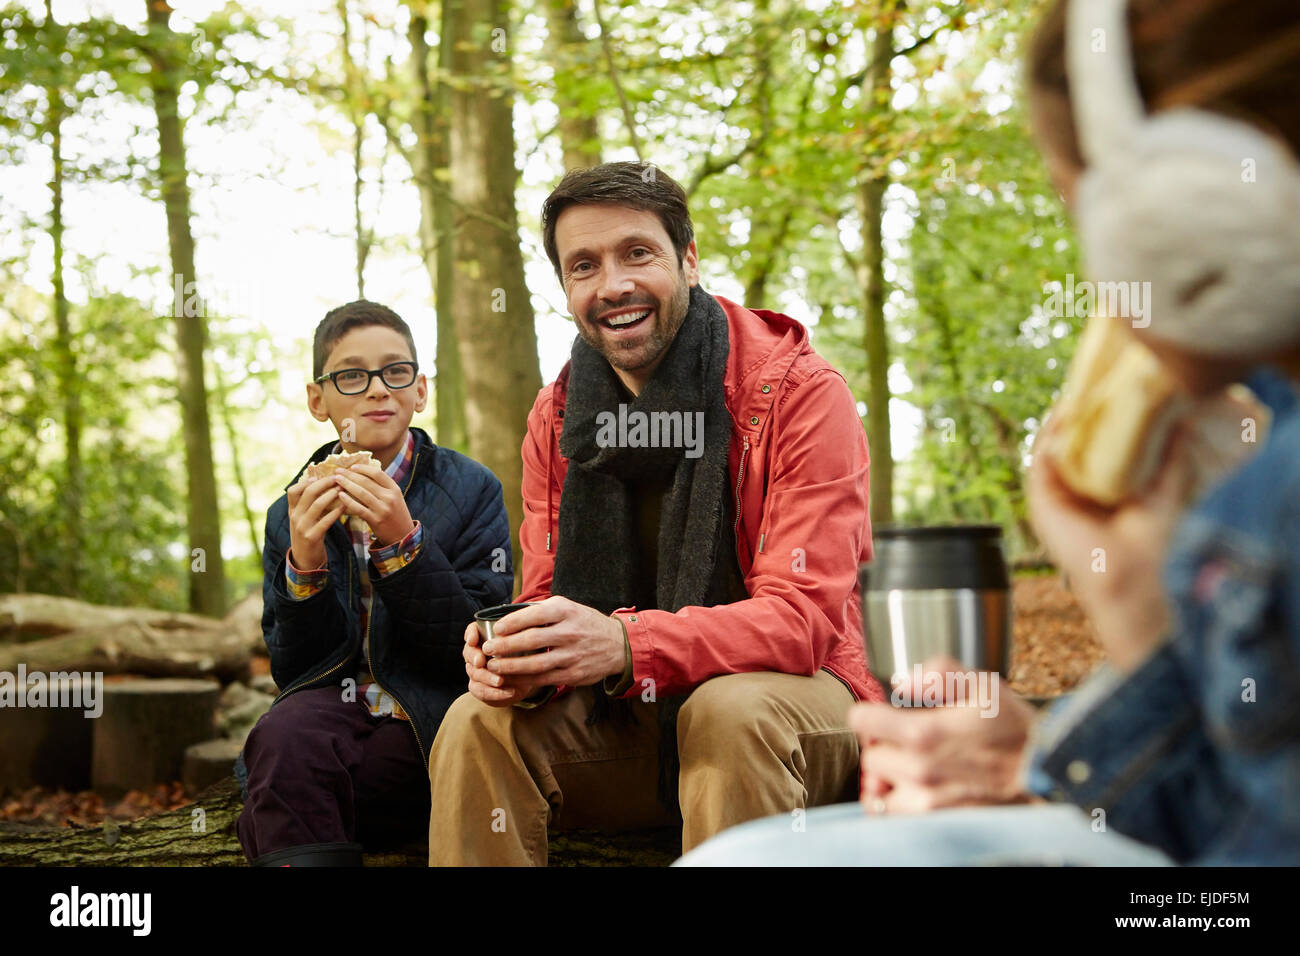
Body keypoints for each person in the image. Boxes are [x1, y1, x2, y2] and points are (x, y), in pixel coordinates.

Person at [678, 0, 1300, 866]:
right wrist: (1037, 755)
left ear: (1183, 212)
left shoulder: (1277, 501)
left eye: (1077, 203)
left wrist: (1136, 628)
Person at [425, 162, 883, 865]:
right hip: (629, 721)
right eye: (584, 266)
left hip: (798, 716)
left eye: (637, 253)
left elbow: (802, 622)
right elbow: (549, 597)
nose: (613, 285)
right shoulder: (557, 418)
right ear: (568, 290)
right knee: (475, 722)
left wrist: (626, 644)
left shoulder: (797, 391)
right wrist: (516, 656)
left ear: (689, 261)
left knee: (727, 711)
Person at [235, 300, 513, 866]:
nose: (378, 390)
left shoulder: (472, 488)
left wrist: (401, 542)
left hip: (430, 708)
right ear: (319, 400)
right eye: (352, 375)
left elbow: (469, 650)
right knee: (283, 735)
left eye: (395, 372)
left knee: (298, 784)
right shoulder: (287, 511)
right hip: (330, 709)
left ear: (420, 391)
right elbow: (297, 671)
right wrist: (305, 561)